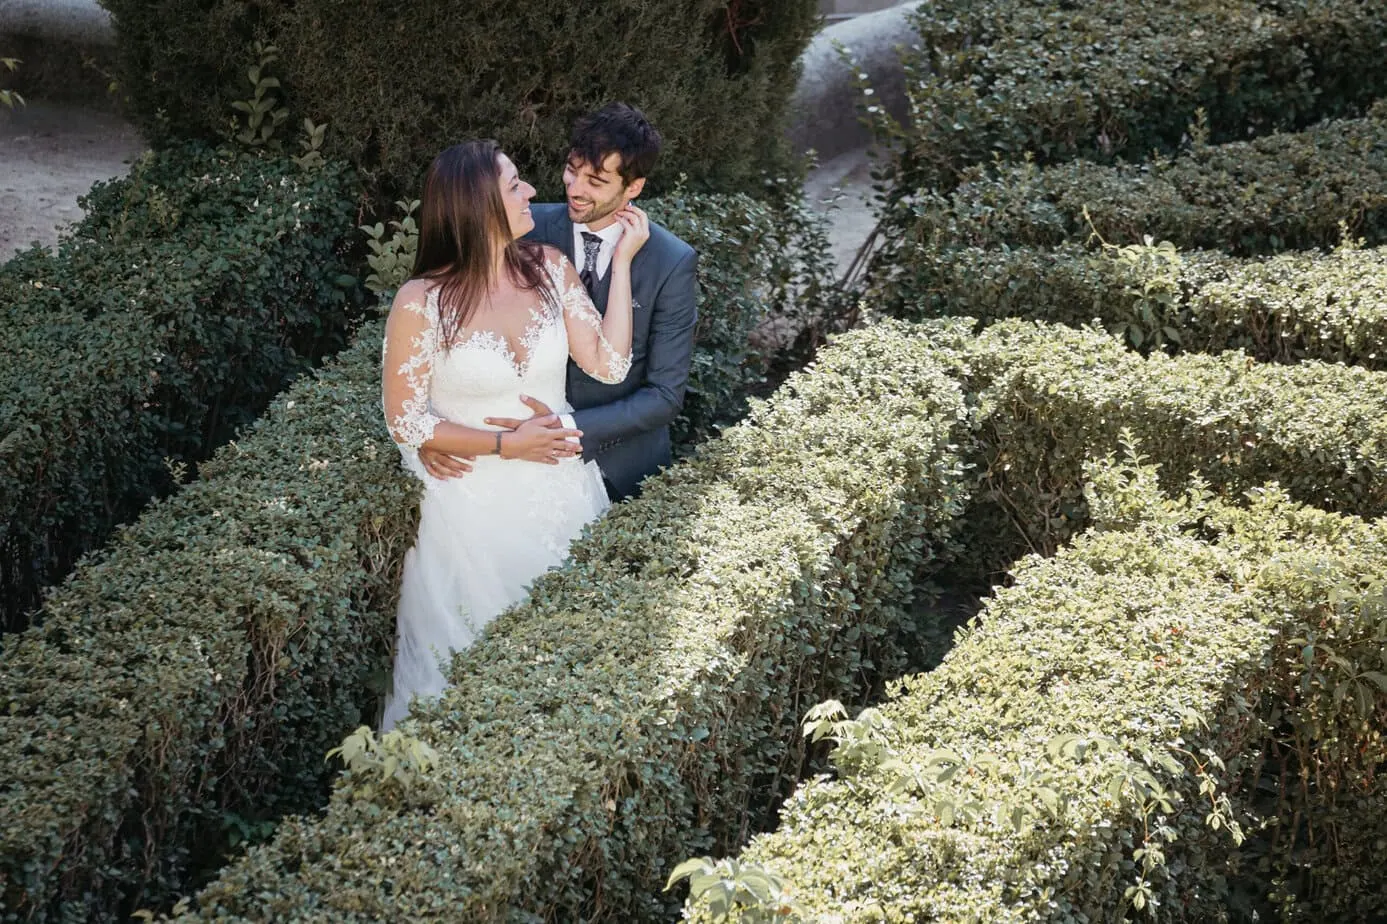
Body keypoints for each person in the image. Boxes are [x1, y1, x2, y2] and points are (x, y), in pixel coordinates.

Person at [378, 139, 648, 731]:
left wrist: (623, 264)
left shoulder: (550, 267)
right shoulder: (420, 302)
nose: (532, 191)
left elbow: (608, 364)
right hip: (472, 511)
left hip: (561, 493)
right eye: (514, 184)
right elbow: (405, 419)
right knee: (468, 675)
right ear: (476, 206)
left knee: (572, 662)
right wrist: (504, 444)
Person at [417, 102, 698, 501]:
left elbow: (665, 396)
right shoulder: (524, 226)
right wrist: (430, 432)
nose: (575, 188)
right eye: (572, 170)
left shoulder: (671, 262)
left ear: (633, 188)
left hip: (621, 467)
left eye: (596, 181)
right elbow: (448, 325)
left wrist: (564, 428)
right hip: (509, 462)